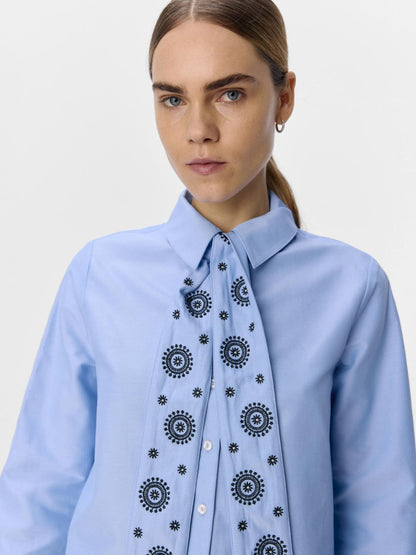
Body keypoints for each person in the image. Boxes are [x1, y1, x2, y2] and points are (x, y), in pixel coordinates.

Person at [1, 0, 416, 553]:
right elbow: (38, 494)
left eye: (230, 94)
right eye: (173, 99)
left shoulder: (352, 289)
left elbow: (380, 511)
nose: (198, 130)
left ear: (284, 98)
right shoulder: (99, 276)